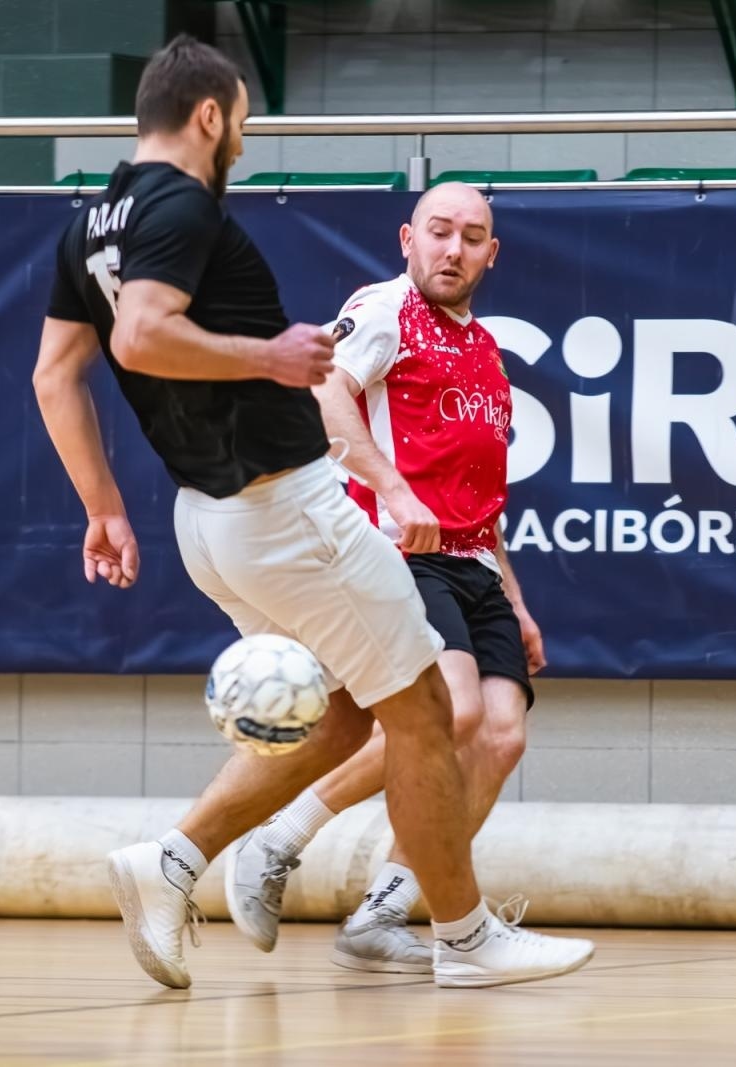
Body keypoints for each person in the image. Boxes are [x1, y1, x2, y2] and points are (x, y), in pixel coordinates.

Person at [31, 34, 592, 990]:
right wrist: (270, 358)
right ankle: (461, 937)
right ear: (210, 115)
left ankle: (171, 860)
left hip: (207, 517)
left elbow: (56, 373)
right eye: (243, 118)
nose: (243, 137)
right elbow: (142, 333)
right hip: (287, 506)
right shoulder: (180, 204)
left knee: (336, 724)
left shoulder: (90, 222)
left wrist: (103, 507)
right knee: (423, 712)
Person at [223, 183, 542, 974]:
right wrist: (395, 490)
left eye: (472, 237)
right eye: (440, 232)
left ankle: (383, 909)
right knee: (452, 713)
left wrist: (517, 598)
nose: (454, 249)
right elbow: (323, 386)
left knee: (500, 734)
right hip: (396, 550)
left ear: (490, 254)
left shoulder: (485, 351)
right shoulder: (382, 308)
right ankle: (277, 836)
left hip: (472, 561)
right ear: (408, 238)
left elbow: (481, 487)